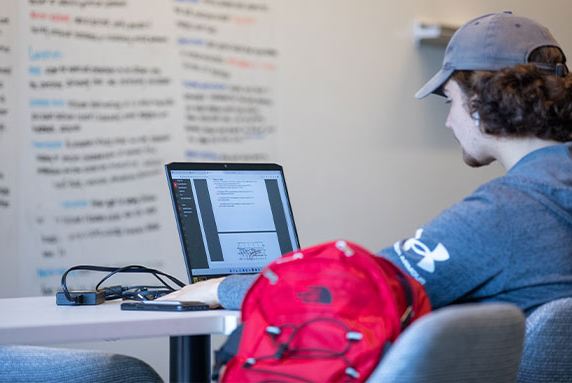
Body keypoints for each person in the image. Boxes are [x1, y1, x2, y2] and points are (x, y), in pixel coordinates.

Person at [159, 12, 572, 315]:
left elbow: (352, 290)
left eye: (450, 101)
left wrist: (221, 289)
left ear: (484, 99)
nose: (449, 120)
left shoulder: (502, 213)